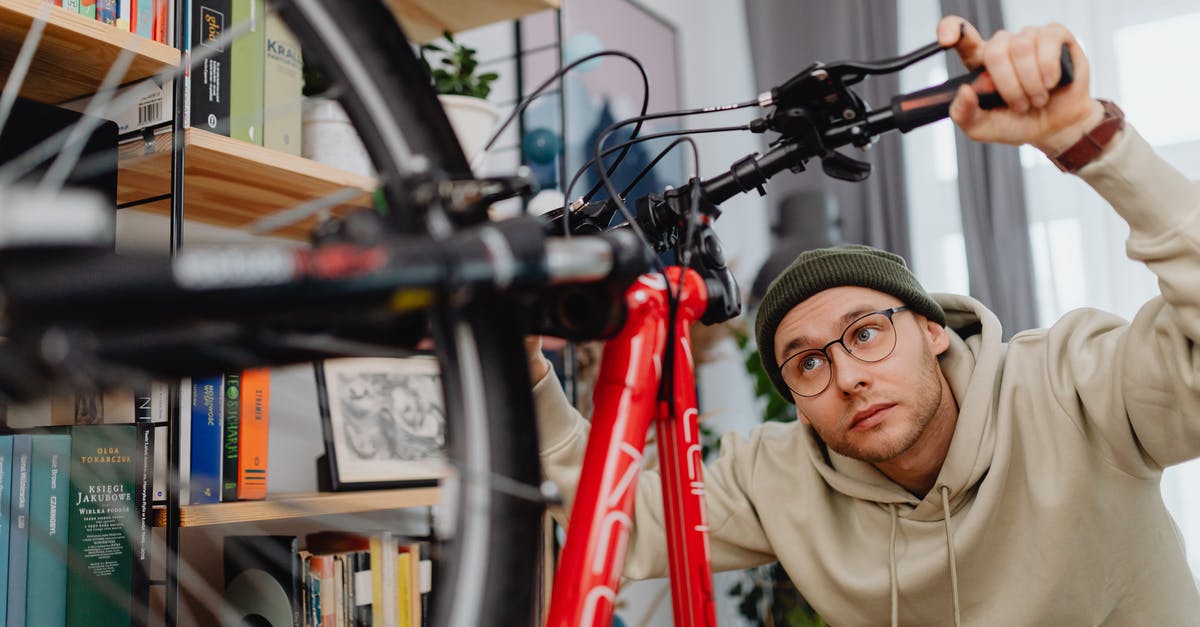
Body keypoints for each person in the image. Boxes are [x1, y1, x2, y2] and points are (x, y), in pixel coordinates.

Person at [528, 15, 1200, 626]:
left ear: (932, 328)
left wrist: (1093, 142)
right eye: (809, 362)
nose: (847, 376)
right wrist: (526, 367)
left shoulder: (1074, 388)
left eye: (867, 331)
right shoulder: (781, 478)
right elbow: (620, 520)